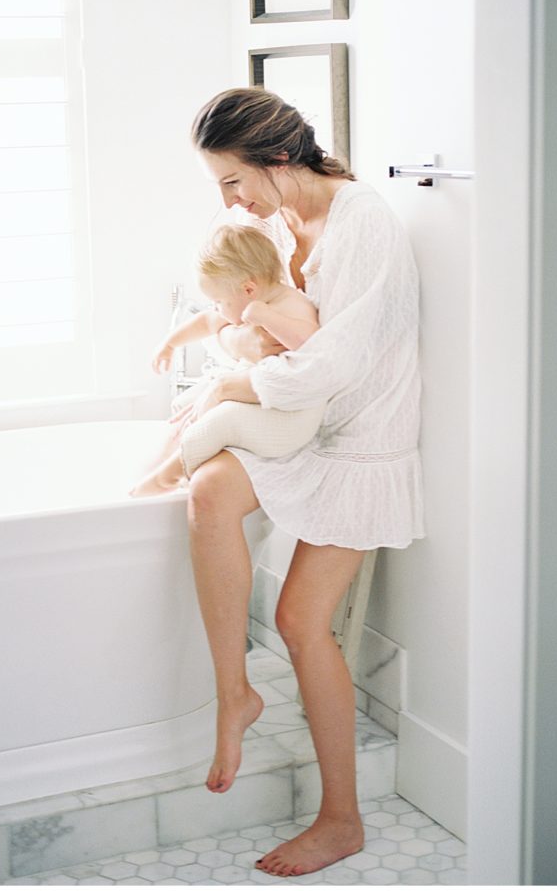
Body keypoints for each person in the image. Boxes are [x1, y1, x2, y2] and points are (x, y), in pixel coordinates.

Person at [184, 88, 424, 878]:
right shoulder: (282, 218)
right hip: (308, 425)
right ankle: (234, 696)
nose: (231, 200)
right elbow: (247, 300)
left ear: (277, 158)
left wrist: (230, 388)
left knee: (297, 620)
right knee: (208, 493)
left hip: (358, 444)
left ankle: (341, 819)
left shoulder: (364, 225)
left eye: (232, 181)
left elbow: (336, 362)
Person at [128, 224, 324, 497]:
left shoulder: (291, 305)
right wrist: (170, 343)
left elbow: (313, 345)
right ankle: (160, 465)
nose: (217, 308)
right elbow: (207, 321)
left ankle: (168, 476)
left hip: (290, 418)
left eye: (218, 301)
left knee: (220, 421)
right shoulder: (246, 300)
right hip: (259, 401)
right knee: (185, 404)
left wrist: (267, 318)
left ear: (248, 289)